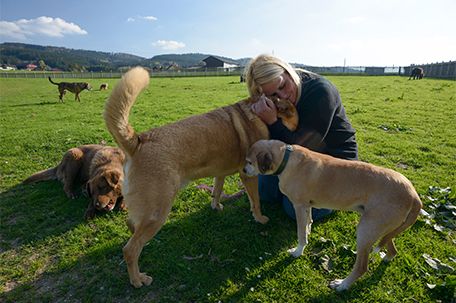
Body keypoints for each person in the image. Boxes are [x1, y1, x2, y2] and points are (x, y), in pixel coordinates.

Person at [245, 54, 358, 221]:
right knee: (265, 193)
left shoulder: (320, 91)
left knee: (292, 209)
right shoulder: (276, 101)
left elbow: (304, 147)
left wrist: (273, 122)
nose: (282, 96)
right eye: (272, 95)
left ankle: (343, 195)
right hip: (299, 162)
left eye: (283, 86)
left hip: (335, 163)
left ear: (288, 71)